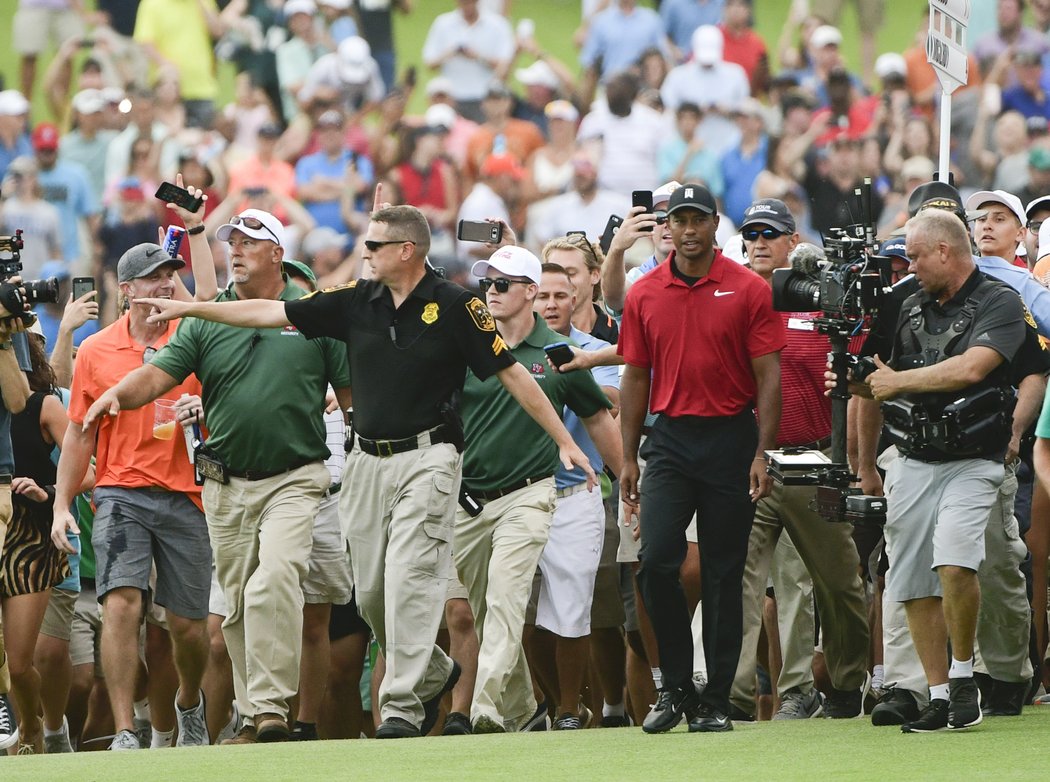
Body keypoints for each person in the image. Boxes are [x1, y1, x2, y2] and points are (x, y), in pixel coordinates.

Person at [122, 200, 595, 739]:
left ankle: (400, 708)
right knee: (370, 595)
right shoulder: (355, 300)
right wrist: (192, 311)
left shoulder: (460, 305)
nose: (363, 253)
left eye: (372, 246)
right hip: (368, 460)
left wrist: (563, 441)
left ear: (406, 251)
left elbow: (512, 373)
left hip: (431, 455)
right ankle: (435, 671)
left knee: (408, 578)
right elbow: (266, 313)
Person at [80, 209, 352, 745]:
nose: (237, 249)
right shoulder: (206, 320)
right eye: (232, 241)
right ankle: (256, 715)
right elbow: (157, 376)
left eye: (250, 241)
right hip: (225, 486)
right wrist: (116, 394)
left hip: (295, 477)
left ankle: (271, 708)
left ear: (278, 253)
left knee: (274, 579)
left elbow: (350, 397)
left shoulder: (315, 317)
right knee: (235, 611)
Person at [844, 209, 1027, 733]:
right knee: (910, 579)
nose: (911, 267)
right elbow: (876, 382)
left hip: (974, 459)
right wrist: (855, 379)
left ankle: (965, 674)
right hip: (914, 456)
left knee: (954, 561)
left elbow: (973, 367)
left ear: (945, 251)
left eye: (918, 257)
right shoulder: (905, 304)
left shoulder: (1000, 301)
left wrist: (898, 382)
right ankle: (941, 694)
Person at [51, 185, 218, 751]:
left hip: (189, 492)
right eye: (153, 277)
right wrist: (60, 504)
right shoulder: (95, 350)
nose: (166, 283)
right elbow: (78, 433)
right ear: (126, 290)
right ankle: (126, 729)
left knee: (190, 627)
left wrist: (206, 410)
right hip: (121, 491)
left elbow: (215, 299)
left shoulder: (192, 334)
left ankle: (188, 703)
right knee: (121, 603)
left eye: (170, 274)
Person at [619, 183, 785, 733]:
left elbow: (768, 375)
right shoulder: (644, 293)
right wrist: (628, 458)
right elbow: (635, 376)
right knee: (658, 563)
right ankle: (677, 686)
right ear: (666, 226)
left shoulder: (746, 289)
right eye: (678, 220)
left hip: (730, 438)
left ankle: (714, 700)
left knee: (722, 572)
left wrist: (763, 449)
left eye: (698, 220)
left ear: (716, 224)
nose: (688, 230)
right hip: (667, 440)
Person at [455, 247, 618, 734]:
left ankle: (563, 708)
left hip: (556, 493)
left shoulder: (559, 353)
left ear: (527, 293)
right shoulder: (467, 348)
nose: (492, 292)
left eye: (504, 284)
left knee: (563, 609)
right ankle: (535, 704)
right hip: (475, 500)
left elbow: (598, 417)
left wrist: (627, 480)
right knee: (501, 613)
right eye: (488, 283)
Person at [727, 198, 870, 721]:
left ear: (793, 241)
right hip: (750, 460)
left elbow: (861, 373)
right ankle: (734, 694)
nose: (759, 243)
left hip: (814, 458)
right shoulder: (732, 297)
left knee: (835, 583)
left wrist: (857, 457)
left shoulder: (822, 299)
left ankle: (843, 684)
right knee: (737, 581)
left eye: (770, 234)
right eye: (751, 235)